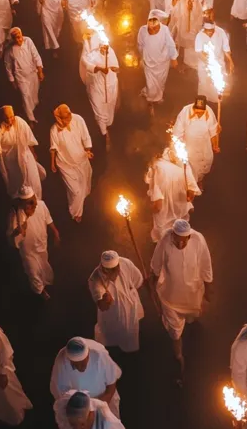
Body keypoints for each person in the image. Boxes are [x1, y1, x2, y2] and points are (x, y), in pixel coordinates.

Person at [150, 219, 213, 382]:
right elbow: (156, 264)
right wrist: (152, 283)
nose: (179, 243)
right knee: (175, 332)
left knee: (192, 318)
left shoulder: (199, 240)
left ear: (189, 237)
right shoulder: (165, 239)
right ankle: (178, 355)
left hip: (193, 294)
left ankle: (190, 320)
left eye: (183, 240)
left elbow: (206, 267)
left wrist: (207, 296)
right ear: (172, 234)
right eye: (176, 239)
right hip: (170, 298)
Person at [8, 185, 59, 299]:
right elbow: (10, 237)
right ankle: (40, 291)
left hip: (41, 244)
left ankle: (45, 282)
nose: (33, 205)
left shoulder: (41, 205)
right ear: (22, 203)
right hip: (28, 252)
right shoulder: (15, 215)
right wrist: (17, 231)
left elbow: (48, 218)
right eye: (29, 203)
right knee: (33, 272)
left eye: (34, 201)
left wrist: (55, 231)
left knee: (43, 265)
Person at [88, 251, 144, 353]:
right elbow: (102, 306)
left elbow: (138, 280)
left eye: (116, 268)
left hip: (131, 311)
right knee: (112, 340)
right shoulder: (95, 279)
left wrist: (129, 294)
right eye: (111, 270)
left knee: (130, 338)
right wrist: (105, 301)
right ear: (104, 269)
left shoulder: (126, 263)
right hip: (112, 316)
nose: (115, 272)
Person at [51, 336, 122, 418]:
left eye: (82, 364)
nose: (80, 368)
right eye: (75, 365)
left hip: (105, 401)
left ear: (88, 354)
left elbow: (111, 386)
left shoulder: (99, 355)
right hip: (77, 410)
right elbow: (60, 393)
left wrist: (96, 409)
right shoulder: (62, 361)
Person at [0, 105, 44, 200]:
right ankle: (22, 201)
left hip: (24, 153)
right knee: (17, 181)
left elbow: (28, 138)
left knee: (32, 175)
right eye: (7, 118)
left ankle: (37, 199)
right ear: (2, 118)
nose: (10, 120)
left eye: (11, 117)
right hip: (10, 159)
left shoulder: (19, 122)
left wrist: (33, 153)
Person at [145, 146, 200, 242]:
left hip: (164, 218)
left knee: (165, 241)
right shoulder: (183, 168)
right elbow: (191, 193)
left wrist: (150, 209)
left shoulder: (157, 168)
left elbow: (158, 204)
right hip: (180, 214)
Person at [50, 104, 93, 221]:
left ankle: (77, 204)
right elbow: (53, 147)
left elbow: (85, 136)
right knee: (76, 191)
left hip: (81, 160)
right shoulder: (54, 130)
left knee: (84, 185)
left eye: (69, 114)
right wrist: (52, 163)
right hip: (65, 165)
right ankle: (75, 213)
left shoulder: (78, 119)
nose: (69, 118)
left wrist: (87, 151)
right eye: (65, 117)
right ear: (59, 118)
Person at [137, 10, 178, 115]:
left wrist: (173, 58)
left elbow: (170, 44)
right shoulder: (142, 30)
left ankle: (158, 97)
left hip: (163, 63)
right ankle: (150, 101)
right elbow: (140, 44)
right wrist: (142, 57)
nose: (154, 29)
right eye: (151, 27)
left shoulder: (164, 30)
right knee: (151, 85)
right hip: (149, 63)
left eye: (156, 27)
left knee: (161, 82)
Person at [81, 40, 119, 149]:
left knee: (109, 108)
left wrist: (112, 69)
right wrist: (99, 68)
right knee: (99, 111)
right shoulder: (92, 56)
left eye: (105, 47)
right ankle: (104, 133)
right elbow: (87, 64)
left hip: (111, 87)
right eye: (102, 47)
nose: (104, 49)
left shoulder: (111, 52)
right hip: (96, 88)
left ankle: (108, 125)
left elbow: (117, 68)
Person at [172, 95, 219, 184]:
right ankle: (191, 184)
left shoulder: (209, 111)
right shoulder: (185, 111)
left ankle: (200, 180)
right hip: (190, 147)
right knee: (190, 168)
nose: (199, 114)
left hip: (204, 146)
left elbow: (213, 131)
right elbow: (177, 133)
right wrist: (179, 149)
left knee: (203, 166)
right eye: (197, 112)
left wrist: (215, 145)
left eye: (201, 112)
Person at [3, 26, 44, 124]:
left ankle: (30, 107)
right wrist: (12, 81)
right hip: (21, 78)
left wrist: (40, 71)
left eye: (20, 36)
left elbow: (35, 55)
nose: (19, 39)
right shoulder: (10, 50)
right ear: (12, 39)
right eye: (16, 38)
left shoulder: (28, 41)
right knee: (25, 96)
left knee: (33, 95)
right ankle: (31, 119)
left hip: (33, 74)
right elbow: (8, 66)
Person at [194, 14, 234, 103]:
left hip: (219, 63)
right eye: (207, 31)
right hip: (204, 65)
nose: (209, 33)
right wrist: (209, 63)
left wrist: (230, 62)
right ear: (204, 29)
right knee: (204, 83)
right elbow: (199, 52)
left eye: (211, 31)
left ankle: (217, 101)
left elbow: (226, 48)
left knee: (217, 85)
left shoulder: (221, 32)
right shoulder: (199, 35)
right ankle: (204, 101)